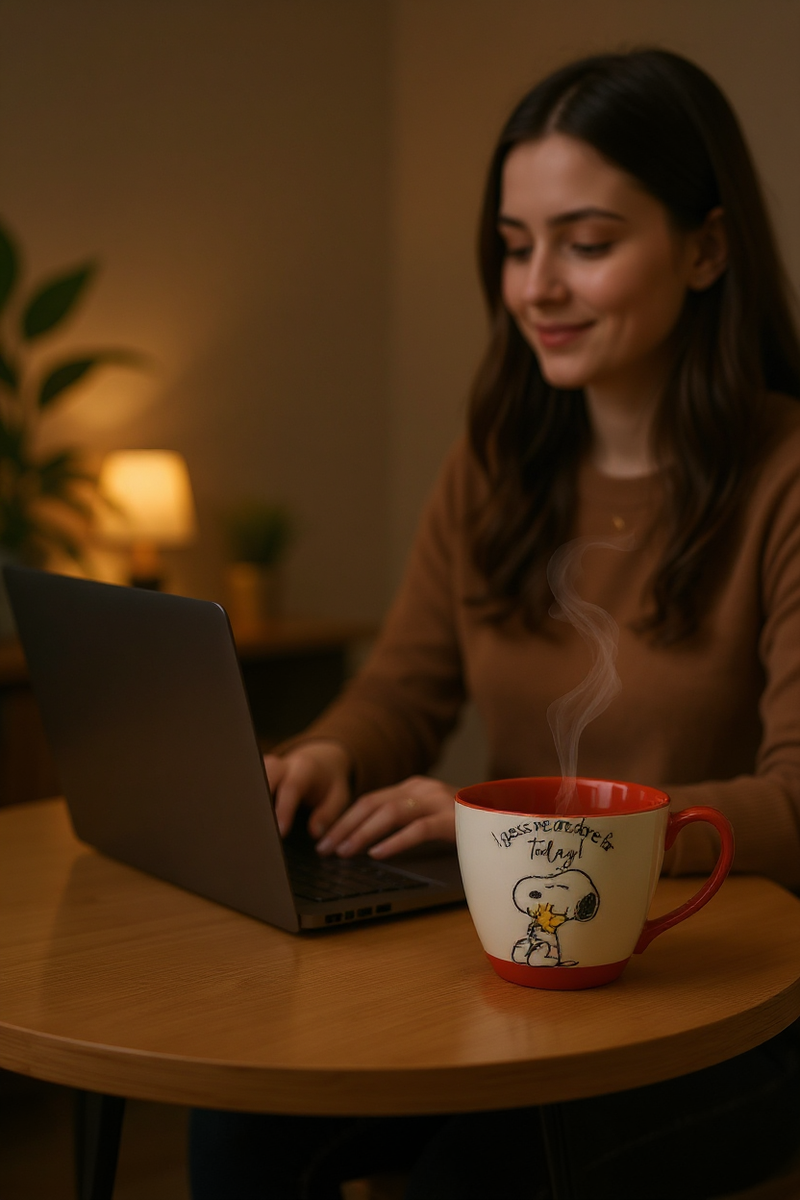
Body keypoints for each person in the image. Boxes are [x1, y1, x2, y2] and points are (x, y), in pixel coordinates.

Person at [191, 48, 800, 1199]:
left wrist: (501, 827)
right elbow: (407, 690)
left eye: (586, 242)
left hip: (731, 996)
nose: (534, 289)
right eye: (515, 248)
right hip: (520, 955)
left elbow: (795, 800)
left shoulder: (783, 476)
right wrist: (328, 750)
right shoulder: (496, 462)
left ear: (706, 248)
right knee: (238, 1131)